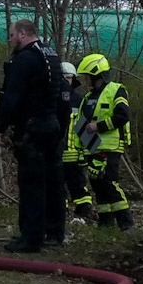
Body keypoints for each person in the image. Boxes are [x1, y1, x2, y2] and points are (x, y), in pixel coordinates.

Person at [0, 18, 64, 253]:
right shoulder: (50, 54)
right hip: (51, 125)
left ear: (23, 34)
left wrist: (1, 127)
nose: (10, 39)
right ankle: (54, 232)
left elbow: (12, 95)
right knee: (53, 182)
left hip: (33, 128)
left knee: (32, 183)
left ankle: (31, 237)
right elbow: (61, 93)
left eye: (12, 35)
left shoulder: (25, 59)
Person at [76, 52, 134, 231]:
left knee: (109, 183)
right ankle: (106, 223)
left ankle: (127, 224)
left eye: (87, 76)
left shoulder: (116, 90)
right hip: (92, 148)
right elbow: (81, 124)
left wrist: (98, 127)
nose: (85, 80)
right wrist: (81, 150)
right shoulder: (88, 97)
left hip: (110, 148)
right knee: (97, 184)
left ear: (96, 74)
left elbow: (122, 116)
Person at [59, 59, 95, 225]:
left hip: (76, 155)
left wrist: (90, 152)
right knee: (58, 185)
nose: (67, 81)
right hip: (57, 153)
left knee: (79, 185)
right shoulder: (52, 99)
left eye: (69, 78)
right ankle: (61, 212)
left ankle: (85, 211)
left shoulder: (80, 101)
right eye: (64, 77)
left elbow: (86, 128)